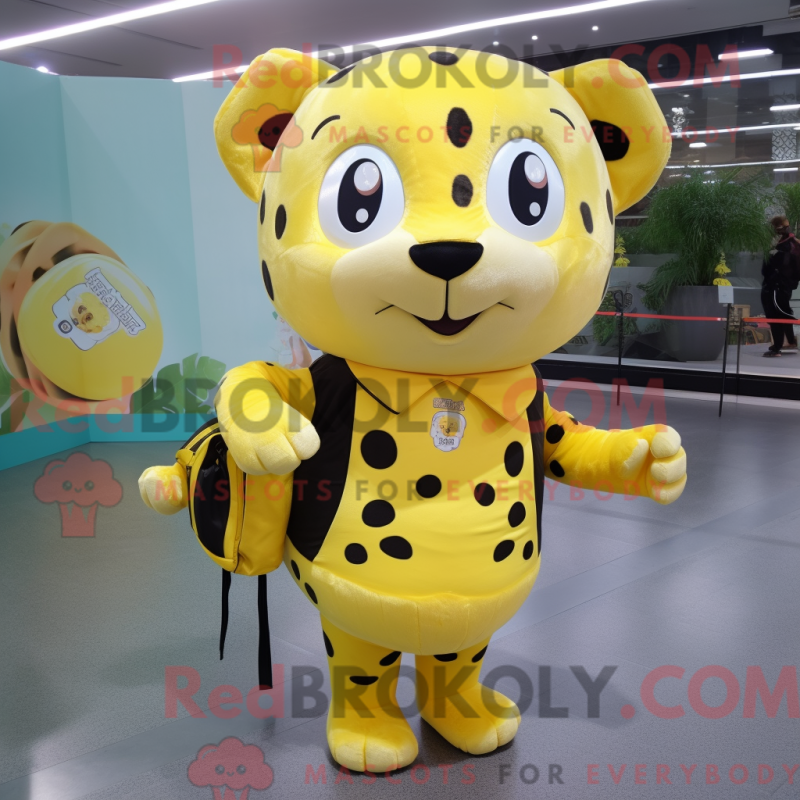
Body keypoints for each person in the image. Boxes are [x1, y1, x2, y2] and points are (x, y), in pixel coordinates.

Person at [761, 216, 800, 357]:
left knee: (775, 314)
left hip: (776, 285)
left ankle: (777, 347)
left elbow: (780, 266)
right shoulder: (791, 243)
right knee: (783, 311)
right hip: (781, 285)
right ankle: (789, 341)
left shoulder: (785, 246)